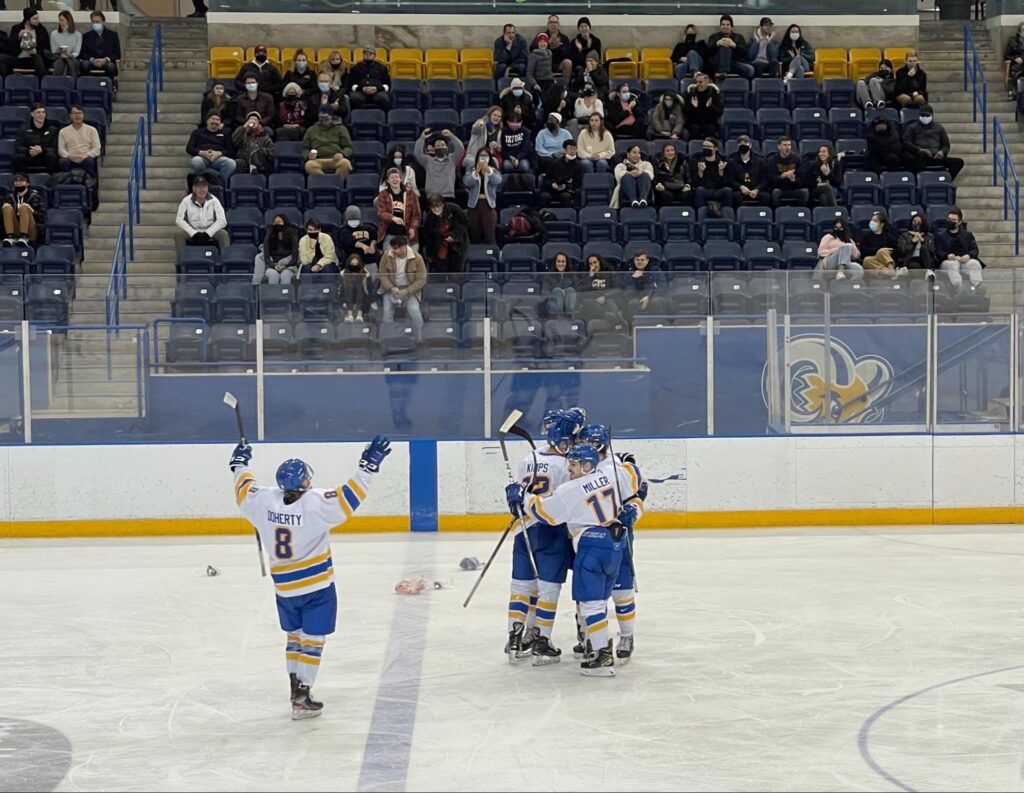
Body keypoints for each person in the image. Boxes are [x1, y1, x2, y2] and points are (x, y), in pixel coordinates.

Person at [229, 435, 392, 719]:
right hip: (316, 587)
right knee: (313, 639)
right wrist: (367, 466)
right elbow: (351, 496)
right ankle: (303, 695)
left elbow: (244, 487)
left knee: (294, 637)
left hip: (284, 589)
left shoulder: (263, 501)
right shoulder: (316, 504)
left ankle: (295, 686)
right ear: (304, 482)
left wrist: (239, 464)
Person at [505, 442, 642, 676]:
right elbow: (635, 483)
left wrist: (522, 495)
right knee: (599, 602)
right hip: (615, 544)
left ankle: (601, 656)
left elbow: (544, 513)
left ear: (588, 465)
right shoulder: (611, 477)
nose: (570, 469)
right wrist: (626, 463)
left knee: (591, 605)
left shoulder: (573, 489)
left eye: (575, 465)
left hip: (591, 546)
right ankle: (596, 647)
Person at [502, 412, 577, 664]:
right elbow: (568, 500)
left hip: (524, 529)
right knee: (548, 589)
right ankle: (542, 641)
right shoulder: (567, 465)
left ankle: (515, 640)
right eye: (567, 442)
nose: (570, 446)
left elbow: (521, 493)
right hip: (551, 530)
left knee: (521, 587)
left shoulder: (527, 459)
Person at [577, 423, 645, 663]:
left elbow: (637, 497)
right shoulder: (579, 464)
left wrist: (633, 512)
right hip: (586, 538)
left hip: (617, 535)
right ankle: (589, 637)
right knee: (590, 593)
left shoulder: (617, 468)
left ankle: (626, 636)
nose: (589, 447)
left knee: (622, 589)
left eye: (593, 443)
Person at [378, 235, 427, 337]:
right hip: (390, 289)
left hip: (410, 290)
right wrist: (391, 288)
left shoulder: (417, 258)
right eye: (392, 248)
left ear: (404, 247)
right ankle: (389, 336)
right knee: (387, 311)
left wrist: (407, 291)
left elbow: (422, 279)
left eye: (396, 248)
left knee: (414, 310)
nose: (393, 251)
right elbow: (382, 275)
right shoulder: (386, 256)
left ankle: (420, 335)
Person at [902, 105, 963, 180]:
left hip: (935, 156)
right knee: (921, 157)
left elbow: (946, 144)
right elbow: (906, 142)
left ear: (932, 115)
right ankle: (921, 181)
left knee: (958, 162)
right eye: (922, 115)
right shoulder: (912, 127)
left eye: (927, 115)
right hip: (920, 156)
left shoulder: (939, 127)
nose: (925, 117)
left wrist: (942, 151)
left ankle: (945, 180)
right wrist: (919, 150)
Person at [173, 176, 229, 256]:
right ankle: (182, 263)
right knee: (178, 235)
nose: (201, 190)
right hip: (193, 229)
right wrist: (193, 233)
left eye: (204, 186)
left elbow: (222, 221)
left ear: (207, 188)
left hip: (210, 229)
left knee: (223, 234)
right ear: (194, 189)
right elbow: (179, 220)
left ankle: (225, 261)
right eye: (198, 187)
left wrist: (208, 233)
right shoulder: (186, 201)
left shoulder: (214, 201)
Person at [689, 14, 753, 80]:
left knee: (750, 70)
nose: (725, 27)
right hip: (717, 63)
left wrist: (734, 45)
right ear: (720, 26)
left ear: (732, 27)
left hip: (733, 62)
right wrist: (717, 44)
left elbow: (745, 53)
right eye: (723, 25)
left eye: (728, 25)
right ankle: (722, 72)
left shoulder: (739, 37)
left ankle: (726, 73)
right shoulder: (714, 37)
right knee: (723, 46)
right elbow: (707, 52)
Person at [935, 208, 984, 289]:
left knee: (974, 263)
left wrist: (969, 256)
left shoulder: (967, 235)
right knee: (953, 264)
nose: (951, 221)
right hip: (948, 261)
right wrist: (947, 256)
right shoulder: (941, 236)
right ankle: (959, 287)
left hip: (964, 260)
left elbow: (975, 249)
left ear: (960, 222)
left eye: (954, 220)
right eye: (949, 219)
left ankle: (979, 287)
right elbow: (938, 252)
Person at [414, 128, 465, 203]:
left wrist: (451, 136)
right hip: (432, 197)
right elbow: (417, 153)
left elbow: (460, 149)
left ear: (447, 148)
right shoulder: (428, 161)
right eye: (438, 145)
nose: (440, 147)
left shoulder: (452, 159)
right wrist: (422, 139)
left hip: (449, 196)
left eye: (443, 145)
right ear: (434, 149)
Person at [421, 194, 469, 274]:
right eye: (433, 207)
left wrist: (455, 236)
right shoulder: (430, 219)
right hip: (440, 245)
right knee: (442, 270)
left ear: (443, 204)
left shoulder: (454, 209)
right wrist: (430, 254)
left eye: (438, 206)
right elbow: (428, 237)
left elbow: (464, 223)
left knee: (457, 270)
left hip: (457, 244)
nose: (436, 209)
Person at [302, 106, 353, 180]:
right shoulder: (311, 130)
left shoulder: (341, 129)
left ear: (332, 115)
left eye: (326, 114)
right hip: (318, 159)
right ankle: (326, 182)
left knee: (345, 163)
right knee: (309, 165)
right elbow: (305, 148)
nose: (324, 117)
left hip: (335, 159)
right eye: (321, 114)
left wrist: (342, 154)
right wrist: (308, 155)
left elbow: (348, 147)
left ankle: (336, 184)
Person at [377, 167, 421, 250]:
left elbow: (416, 216)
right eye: (392, 177)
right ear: (388, 181)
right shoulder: (383, 194)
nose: (395, 180)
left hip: (406, 234)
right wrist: (393, 218)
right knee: (388, 257)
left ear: (401, 179)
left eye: (397, 177)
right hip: (390, 234)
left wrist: (413, 228)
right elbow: (381, 213)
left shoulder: (411, 194)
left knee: (413, 255)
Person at [463, 149, 501, 243]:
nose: (483, 158)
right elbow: (467, 183)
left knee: (489, 236)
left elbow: (497, 181)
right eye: (481, 156)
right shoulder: (471, 169)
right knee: (475, 235)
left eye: (486, 156)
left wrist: (488, 171)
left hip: (488, 205)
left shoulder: (493, 170)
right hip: (474, 206)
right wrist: (476, 173)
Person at [187, 111, 236, 181]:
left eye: (218, 120)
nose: (215, 121)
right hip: (202, 158)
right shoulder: (197, 132)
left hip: (218, 158)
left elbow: (231, 150)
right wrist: (202, 153)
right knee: (196, 161)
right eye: (213, 119)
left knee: (231, 163)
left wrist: (219, 153)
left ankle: (220, 183)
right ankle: (202, 182)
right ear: (207, 120)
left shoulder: (225, 133)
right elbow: (189, 148)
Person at [253, 214, 300, 285]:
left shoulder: (293, 237)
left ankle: (285, 295)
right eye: (275, 223)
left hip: (289, 266)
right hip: (272, 266)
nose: (277, 225)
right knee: (273, 275)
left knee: (285, 274)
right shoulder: (269, 236)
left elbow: (294, 259)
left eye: (279, 222)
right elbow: (267, 258)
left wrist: (285, 266)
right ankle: (273, 295)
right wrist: (274, 266)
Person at [1, 172, 46, 246]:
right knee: (6, 207)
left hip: (31, 229)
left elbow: (43, 217)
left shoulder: (36, 197)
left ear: (27, 183)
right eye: (16, 181)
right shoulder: (10, 197)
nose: (18, 183)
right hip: (15, 228)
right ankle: (10, 237)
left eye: (21, 181)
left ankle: (24, 237)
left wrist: (32, 211)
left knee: (24, 207)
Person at [726, 134, 770, 208]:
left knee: (766, 197)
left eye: (745, 143)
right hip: (740, 190)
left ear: (750, 145)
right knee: (736, 196)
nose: (743, 145)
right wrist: (741, 187)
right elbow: (731, 180)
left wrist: (757, 189)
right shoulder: (732, 161)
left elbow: (765, 180)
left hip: (756, 189)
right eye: (740, 143)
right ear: (738, 146)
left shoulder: (760, 161)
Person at [14, 104, 58, 175]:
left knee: (52, 157)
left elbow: (54, 148)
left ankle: (51, 181)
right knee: (17, 158)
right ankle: (21, 181)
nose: (41, 115)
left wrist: (42, 150)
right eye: (38, 112)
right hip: (29, 156)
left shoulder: (52, 129)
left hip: (44, 156)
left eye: (43, 112)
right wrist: (29, 150)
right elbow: (18, 147)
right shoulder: (23, 129)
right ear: (32, 114)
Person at [623, 249, 668, 316]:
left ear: (647, 261)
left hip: (654, 296)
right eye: (637, 260)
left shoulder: (655, 271)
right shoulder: (629, 273)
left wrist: (649, 297)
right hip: (636, 297)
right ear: (634, 261)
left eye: (642, 260)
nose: (639, 262)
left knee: (655, 302)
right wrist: (633, 278)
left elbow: (662, 286)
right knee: (633, 303)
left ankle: (658, 324)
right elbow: (627, 291)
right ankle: (633, 325)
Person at [692, 137, 731, 212]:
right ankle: (700, 214)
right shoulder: (696, 159)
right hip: (704, 189)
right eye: (704, 146)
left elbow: (727, 183)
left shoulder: (723, 160)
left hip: (718, 189)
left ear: (715, 149)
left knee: (728, 191)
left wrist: (721, 173)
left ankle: (727, 214)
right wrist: (700, 172)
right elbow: (695, 183)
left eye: (708, 147)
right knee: (699, 190)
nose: (705, 148)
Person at [767, 136, 808, 207]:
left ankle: (800, 213)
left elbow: (803, 180)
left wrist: (793, 180)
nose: (787, 147)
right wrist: (783, 176)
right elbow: (771, 180)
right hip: (780, 188)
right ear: (779, 147)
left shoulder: (797, 159)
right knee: (775, 193)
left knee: (804, 192)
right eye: (784, 145)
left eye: (789, 145)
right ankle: (778, 215)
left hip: (794, 188)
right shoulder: (772, 160)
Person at [338, 205, 379, 274]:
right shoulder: (344, 231)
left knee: (373, 275)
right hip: (353, 260)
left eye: (355, 219)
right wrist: (364, 247)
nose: (353, 221)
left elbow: (374, 237)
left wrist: (372, 246)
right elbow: (351, 242)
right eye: (351, 219)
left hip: (368, 260)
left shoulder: (368, 228)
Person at [858, 210, 902, 276]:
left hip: (887, 261)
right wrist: (877, 252)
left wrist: (881, 252)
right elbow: (863, 252)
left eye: (875, 221)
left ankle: (891, 270)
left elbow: (896, 251)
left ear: (882, 224)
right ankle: (893, 273)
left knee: (882, 251)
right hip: (872, 260)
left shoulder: (889, 237)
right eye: (872, 220)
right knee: (866, 260)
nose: (872, 222)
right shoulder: (865, 237)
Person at [541, 139, 583, 207]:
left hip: (567, 190)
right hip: (552, 190)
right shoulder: (554, 163)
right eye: (570, 149)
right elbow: (546, 179)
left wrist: (566, 186)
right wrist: (552, 184)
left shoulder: (578, 166)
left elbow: (578, 183)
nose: (573, 152)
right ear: (564, 150)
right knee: (544, 196)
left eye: (575, 149)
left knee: (566, 197)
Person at [348, 45, 391, 111]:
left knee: (383, 97)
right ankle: (357, 118)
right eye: (365, 54)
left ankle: (382, 118)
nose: (367, 56)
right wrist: (361, 88)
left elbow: (387, 84)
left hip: (378, 92)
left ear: (374, 55)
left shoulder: (381, 68)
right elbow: (350, 83)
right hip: (360, 92)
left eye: (370, 54)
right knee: (354, 97)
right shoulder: (356, 68)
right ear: (363, 55)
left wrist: (377, 88)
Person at [682, 72, 722, 142]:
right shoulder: (691, 94)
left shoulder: (714, 94)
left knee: (711, 128)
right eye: (696, 82)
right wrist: (692, 106)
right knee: (695, 128)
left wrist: (710, 106)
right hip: (694, 122)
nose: (698, 84)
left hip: (710, 121)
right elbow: (685, 111)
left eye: (700, 82)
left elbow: (719, 111)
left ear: (707, 82)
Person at [232, 110, 275, 176]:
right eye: (250, 120)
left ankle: (254, 168)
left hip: (260, 163)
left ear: (259, 124)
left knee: (254, 149)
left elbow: (271, 151)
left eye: (255, 120)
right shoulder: (242, 133)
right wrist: (244, 127)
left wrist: (258, 150)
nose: (253, 121)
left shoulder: (264, 136)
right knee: (238, 162)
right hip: (244, 160)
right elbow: (233, 141)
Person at [611, 144, 654, 209]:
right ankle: (633, 200)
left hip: (644, 190)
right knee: (627, 176)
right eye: (634, 153)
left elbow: (651, 175)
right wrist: (630, 173)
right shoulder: (620, 166)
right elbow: (618, 177)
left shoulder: (646, 164)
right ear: (628, 154)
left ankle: (643, 200)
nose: (637, 155)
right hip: (625, 191)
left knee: (645, 175)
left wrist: (640, 172)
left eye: (638, 153)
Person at [79, 12, 120, 79]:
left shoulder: (113, 35)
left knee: (111, 67)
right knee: (84, 64)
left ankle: (109, 86)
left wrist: (106, 60)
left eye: (97, 22)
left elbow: (117, 53)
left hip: (106, 61)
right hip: (92, 61)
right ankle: (87, 85)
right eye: (93, 22)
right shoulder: (86, 36)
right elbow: (82, 53)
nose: (95, 24)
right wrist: (92, 60)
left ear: (103, 22)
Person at [533, 14, 573, 82]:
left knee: (568, 63)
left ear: (558, 24)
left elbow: (568, 53)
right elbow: (533, 49)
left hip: (558, 63)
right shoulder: (541, 36)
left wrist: (557, 47)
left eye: (555, 22)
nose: (553, 24)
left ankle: (565, 85)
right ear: (548, 24)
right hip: (544, 62)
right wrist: (548, 46)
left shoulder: (564, 38)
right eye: (551, 22)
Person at [653, 142, 692, 208]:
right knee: (665, 195)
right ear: (664, 153)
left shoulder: (682, 162)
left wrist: (687, 185)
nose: (670, 152)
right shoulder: (658, 164)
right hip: (666, 189)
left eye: (672, 150)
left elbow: (688, 178)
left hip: (681, 189)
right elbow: (655, 179)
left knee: (688, 195)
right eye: (667, 151)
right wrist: (657, 185)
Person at [544, 252, 580, 317]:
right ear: (555, 263)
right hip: (554, 305)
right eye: (558, 261)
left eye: (563, 261)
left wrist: (565, 295)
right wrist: (558, 294)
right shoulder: (548, 276)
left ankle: (569, 315)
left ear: (566, 263)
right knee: (557, 290)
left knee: (570, 290)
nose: (561, 264)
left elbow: (579, 290)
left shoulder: (573, 275)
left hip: (570, 303)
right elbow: (544, 292)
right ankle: (559, 315)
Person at [340, 253, 372, 323]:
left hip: (363, 298)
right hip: (347, 297)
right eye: (352, 264)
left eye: (356, 265)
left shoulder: (365, 273)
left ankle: (359, 315)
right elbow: (341, 290)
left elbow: (369, 289)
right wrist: (342, 301)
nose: (354, 266)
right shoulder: (343, 274)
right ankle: (349, 315)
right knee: (350, 287)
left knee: (359, 286)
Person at [808, 143, 841, 208]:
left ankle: (827, 216)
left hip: (832, 189)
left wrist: (828, 173)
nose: (821, 154)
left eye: (824, 151)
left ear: (829, 154)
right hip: (816, 189)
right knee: (827, 187)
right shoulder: (813, 165)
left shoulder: (835, 164)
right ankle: (836, 211)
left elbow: (838, 182)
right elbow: (807, 181)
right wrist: (817, 184)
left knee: (823, 197)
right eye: (820, 152)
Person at [51, 10, 81, 79]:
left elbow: (76, 52)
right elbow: (53, 51)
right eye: (59, 20)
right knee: (60, 62)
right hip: (58, 57)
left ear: (68, 21)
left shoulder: (78, 35)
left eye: (62, 20)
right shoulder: (54, 34)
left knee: (69, 61)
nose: (60, 22)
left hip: (72, 57)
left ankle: (70, 83)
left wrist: (68, 55)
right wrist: (58, 51)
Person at [1006, 23, 1024, 100]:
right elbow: (1006, 55)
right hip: (1017, 65)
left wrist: (1022, 58)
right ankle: (1014, 92)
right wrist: (1015, 58)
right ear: (1019, 32)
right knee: (1015, 71)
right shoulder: (1012, 41)